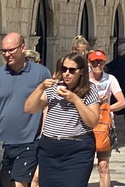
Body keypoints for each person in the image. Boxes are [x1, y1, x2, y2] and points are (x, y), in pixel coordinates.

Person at [0, 33, 52, 187]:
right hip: (2, 142)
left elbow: (47, 107)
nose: (6, 54)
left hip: (29, 141)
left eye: (11, 50)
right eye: (3, 51)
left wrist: (43, 134)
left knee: (20, 183)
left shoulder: (41, 73)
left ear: (23, 48)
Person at [25, 53, 99, 187]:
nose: (67, 74)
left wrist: (75, 100)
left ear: (81, 71)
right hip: (50, 149)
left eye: (72, 70)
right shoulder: (54, 88)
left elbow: (92, 121)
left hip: (76, 150)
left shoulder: (90, 89)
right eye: (64, 69)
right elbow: (29, 108)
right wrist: (40, 87)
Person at [87, 51, 125, 187]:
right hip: (85, 127)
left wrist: (105, 108)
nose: (98, 64)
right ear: (89, 63)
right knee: (83, 167)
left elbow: (122, 102)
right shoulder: (84, 80)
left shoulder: (110, 79)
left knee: (103, 165)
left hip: (104, 127)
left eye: (100, 62)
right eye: (94, 62)